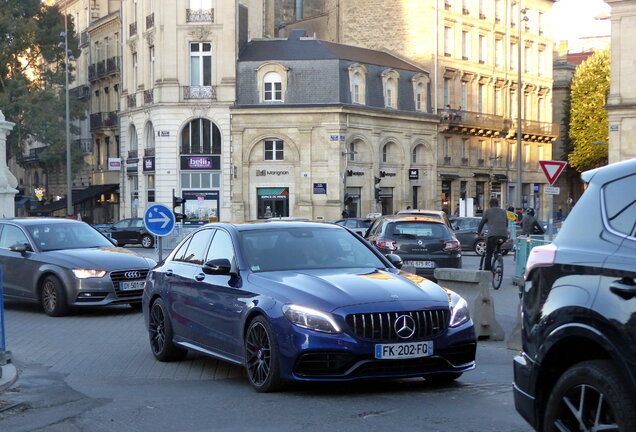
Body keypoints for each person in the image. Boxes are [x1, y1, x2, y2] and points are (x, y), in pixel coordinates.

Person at [477, 198, 509, 271]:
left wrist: (479, 232)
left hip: (492, 236)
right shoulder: (504, 211)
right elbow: (506, 223)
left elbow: (482, 223)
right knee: (498, 247)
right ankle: (498, 256)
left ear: (490, 204)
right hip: (504, 235)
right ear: (498, 204)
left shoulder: (488, 211)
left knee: (489, 253)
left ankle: (487, 270)